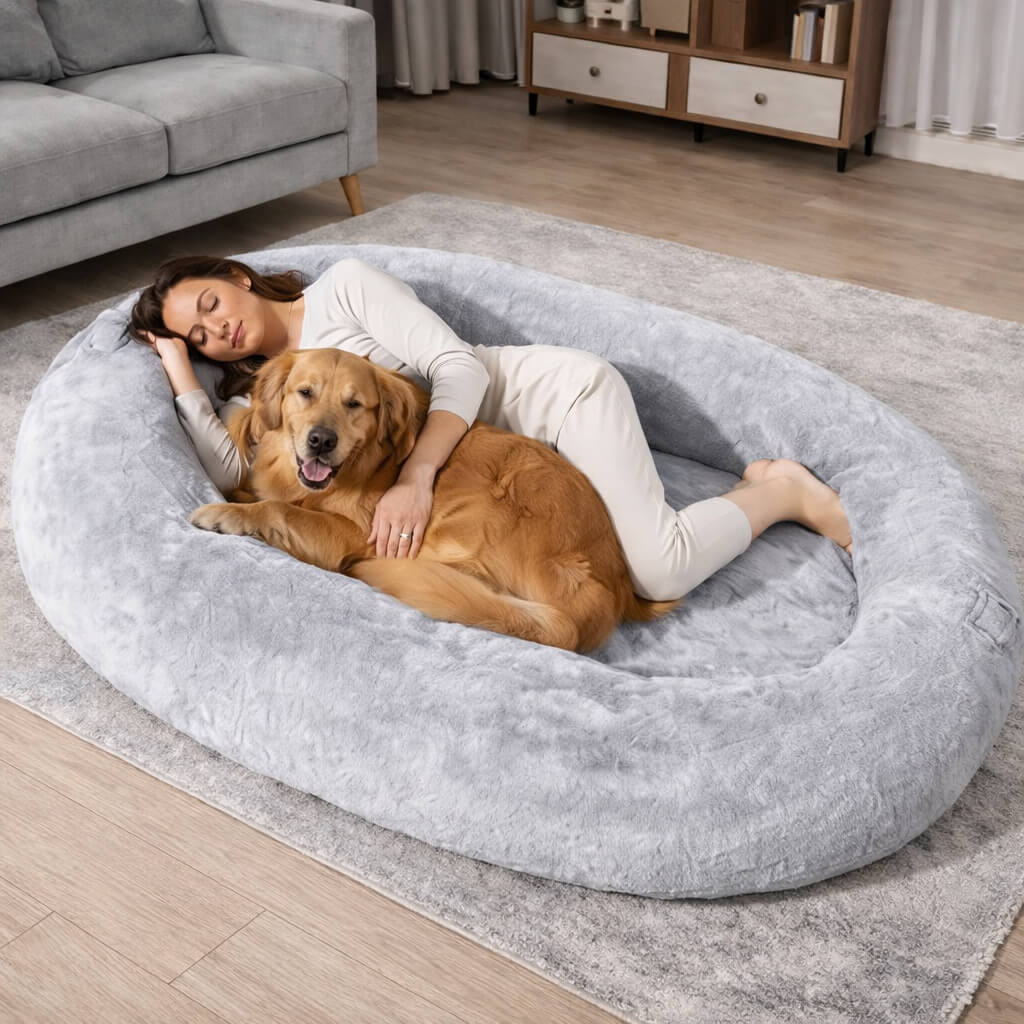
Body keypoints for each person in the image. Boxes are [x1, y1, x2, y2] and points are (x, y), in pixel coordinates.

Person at [130, 255, 853, 602]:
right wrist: (183, 377)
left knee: (655, 570)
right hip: (506, 470)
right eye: (198, 335)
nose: (215, 328)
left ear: (237, 276)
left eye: (209, 302)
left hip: (553, 403)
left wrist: (415, 479)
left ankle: (781, 493)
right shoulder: (266, 392)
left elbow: (459, 365)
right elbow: (230, 469)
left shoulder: (343, 287)